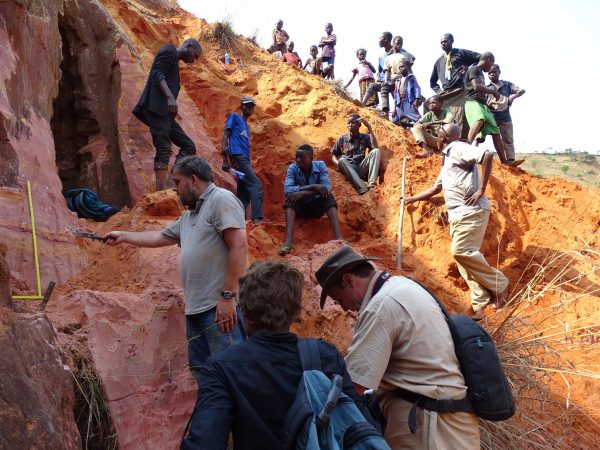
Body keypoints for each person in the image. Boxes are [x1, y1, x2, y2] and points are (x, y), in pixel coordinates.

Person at [181, 260, 379, 450]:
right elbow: (361, 424)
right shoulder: (325, 355)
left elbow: (206, 442)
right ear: (295, 312)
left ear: (245, 310)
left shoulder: (221, 368)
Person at [315, 245, 480, 449]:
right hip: (448, 422)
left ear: (349, 280)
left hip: (428, 428)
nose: (344, 308)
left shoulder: (381, 306)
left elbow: (355, 385)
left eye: (339, 299)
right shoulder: (402, 286)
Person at [103, 156, 248, 381]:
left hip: (218, 309)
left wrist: (228, 296)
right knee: (204, 375)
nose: (175, 189)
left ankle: (240, 416)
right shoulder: (190, 215)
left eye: (177, 182)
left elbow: (239, 246)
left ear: (193, 179)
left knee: (231, 373)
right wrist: (123, 236)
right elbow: (159, 237)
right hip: (196, 310)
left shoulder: (220, 199)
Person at [405, 123, 509, 320]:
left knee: (461, 252)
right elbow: (436, 189)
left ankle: (500, 284)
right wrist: (411, 199)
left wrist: (481, 190)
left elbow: (486, 155)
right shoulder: (447, 159)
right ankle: (480, 301)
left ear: (442, 138)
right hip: (458, 215)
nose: (435, 138)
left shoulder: (458, 148)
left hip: (470, 210)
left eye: (437, 135)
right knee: (463, 261)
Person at [132, 39, 202, 191]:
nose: (194, 60)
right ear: (188, 46)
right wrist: (170, 97)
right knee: (163, 147)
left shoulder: (174, 61)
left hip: (165, 114)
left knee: (189, 146)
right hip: (156, 109)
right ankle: (160, 192)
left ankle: (171, 181)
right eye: (195, 55)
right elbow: (157, 72)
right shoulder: (169, 51)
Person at [279, 144, 343, 255]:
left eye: (302, 157)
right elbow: (288, 190)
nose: (298, 160)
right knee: (289, 199)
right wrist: (313, 187)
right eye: (297, 157)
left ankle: (339, 238)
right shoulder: (292, 168)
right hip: (301, 208)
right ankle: (288, 242)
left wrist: (302, 192)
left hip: (316, 207)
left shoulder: (321, 165)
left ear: (311, 158)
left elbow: (326, 188)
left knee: (328, 196)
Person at [464, 52, 513, 165]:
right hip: (472, 102)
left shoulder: (480, 73)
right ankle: (465, 149)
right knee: (479, 119)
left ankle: (504, 161)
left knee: (495, 132)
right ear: (488, 60)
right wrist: (493, 92)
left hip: (483, 105)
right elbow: (476, 87)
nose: (491, 68)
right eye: (491, 64)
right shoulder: (474, 69)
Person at [221, 96, 264, 224]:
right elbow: (225, 136)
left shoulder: (246, 126)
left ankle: (237, 221)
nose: (250, 108)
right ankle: (257, 220)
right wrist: (225, 159)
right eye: (247, 105)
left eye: (252, 106)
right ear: (242, 106)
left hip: (244, 159)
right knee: (256, 184)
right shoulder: (234, 117)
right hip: (238, 157)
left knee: (243, 194)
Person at [429, 34, 480, 136]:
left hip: (460, 90)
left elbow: (480, 57)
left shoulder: (460, 53)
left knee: (459, 116)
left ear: (452, 41)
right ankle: (436, 136)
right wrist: (439, 92)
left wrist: (469, 70)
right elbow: (432, 82)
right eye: (441, 42)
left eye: (445, 41)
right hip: (446, 93)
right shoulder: (438, 61)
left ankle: (461, 138)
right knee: (429, 105)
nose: (443, 44)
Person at [331, 114, 381, 195]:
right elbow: (333, 156)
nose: (350, 125)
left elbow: (374, 147)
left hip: (360, 168)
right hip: (347, 168)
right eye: (348, 123)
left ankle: (372, 185)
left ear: (359, 125)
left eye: (353, 123)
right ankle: (362, 188)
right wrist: (339, 164)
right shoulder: (342, 138)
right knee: (342, 160)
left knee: (376, 151)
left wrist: (369, 128)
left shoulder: (365, 137)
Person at [487, 64, 526, 165]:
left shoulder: (507, 85)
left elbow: (521, 90)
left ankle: (510, 160)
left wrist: (512, 98)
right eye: (489, 73)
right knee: (487, 137)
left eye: (494, 72)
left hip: (505, 116)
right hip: (492, 117)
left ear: (499, 72)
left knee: (508, 138)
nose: (491, 74)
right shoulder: (487, 88)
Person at [362, 32, 394, 115]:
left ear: (386, 39)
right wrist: (379, 79)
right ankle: (362, 104)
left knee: (387, 91)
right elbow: (380, 70)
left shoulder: (396, 52)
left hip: (394, 81)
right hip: (383, 81)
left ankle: (386, 113)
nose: (378, 41)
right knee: (372, 86)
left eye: (380, 39)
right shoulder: (382, 55)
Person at [391, 60, 421, 124]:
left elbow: (417, 88)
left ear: (408, 67)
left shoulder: (411, 77)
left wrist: (416, 100)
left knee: (419, 121)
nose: (401, 68)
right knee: (393, 122)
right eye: (399, 68)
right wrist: (394, 107)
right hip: (399, 105)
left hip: (409, 103)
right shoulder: (398, 80)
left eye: (402, 66)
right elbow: (396, 94)